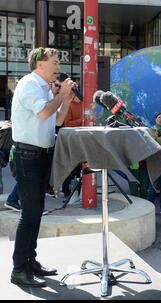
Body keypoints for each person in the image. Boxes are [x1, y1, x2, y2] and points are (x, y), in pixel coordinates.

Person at [10, 47, 76, 287]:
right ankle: (18, 268)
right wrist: (60, 95)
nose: (58, 67)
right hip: (27, 156)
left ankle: (30, 261)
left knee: (36, 213)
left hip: (40, 156)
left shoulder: (44, 88)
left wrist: (65, 99)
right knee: (29, 214)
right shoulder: (29, 84)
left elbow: (56, 119)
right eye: (55, 62)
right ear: (40, 63)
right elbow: (43, 113)